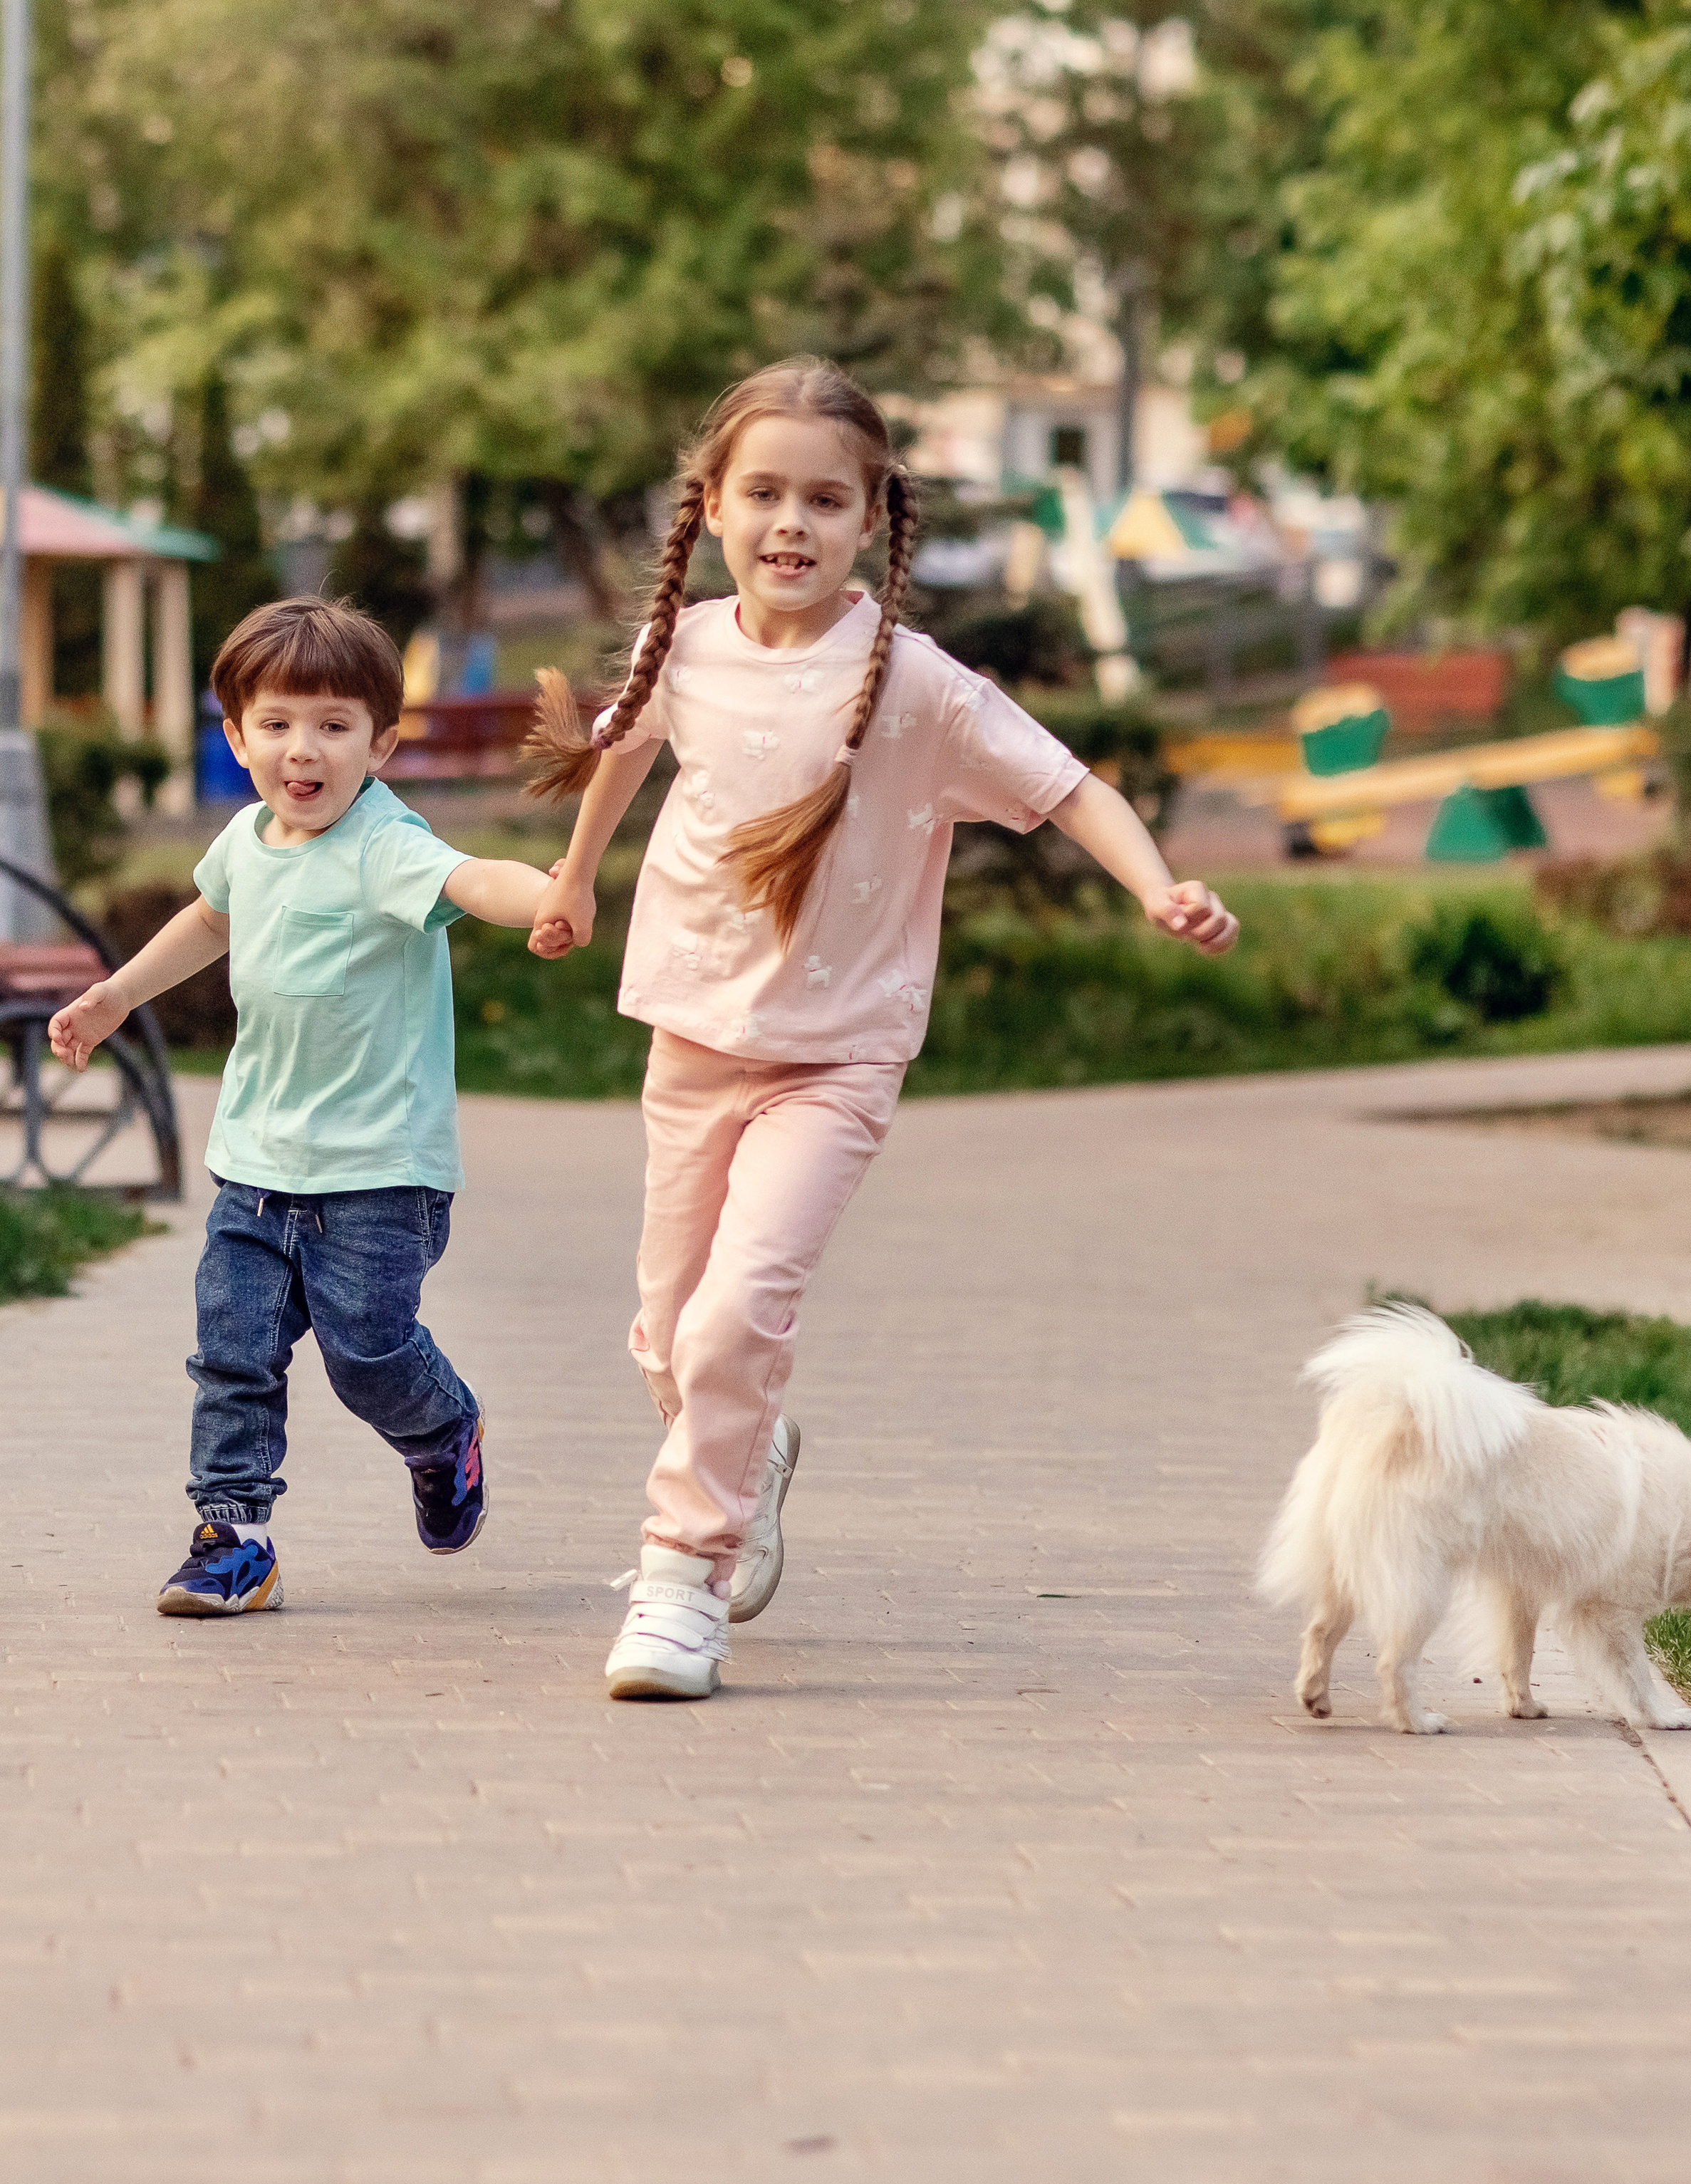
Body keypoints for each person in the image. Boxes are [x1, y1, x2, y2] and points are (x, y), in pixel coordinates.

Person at [524, 356, 1239, 1704]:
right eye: (767, 493)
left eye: (826, 499)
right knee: (667, 1338)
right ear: (716, 507)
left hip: (839, 1055)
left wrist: (1161, 888)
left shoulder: (915, 682)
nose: (793, 522)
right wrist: (573, 876)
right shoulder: (682, 646)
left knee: (737, 1314)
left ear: (872, 520)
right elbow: (624, 748)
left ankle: (683, 1580)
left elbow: (1068, 785)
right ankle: (753, 1451)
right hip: (692, 1036)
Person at [49, 596, 573, 1618]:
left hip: (380, 1174)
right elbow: (207, 921)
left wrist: (543, 897)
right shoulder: (248, 839)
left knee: (369, 1354)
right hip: (256, 1163)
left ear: (382, 740)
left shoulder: (385, 844)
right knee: (232, 1355)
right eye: (279, 724)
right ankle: (232, 1539)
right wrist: (116, 996)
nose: (306, 750)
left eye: (335, 726)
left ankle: (443, 1432)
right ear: (237, 733)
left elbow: (471, 878)